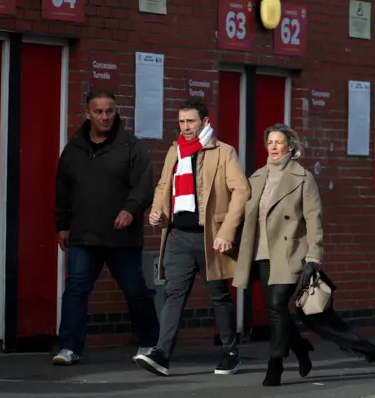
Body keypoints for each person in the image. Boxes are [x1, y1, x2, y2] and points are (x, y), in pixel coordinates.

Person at [134, 98, 251, 377]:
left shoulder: (223, 152)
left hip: (209, 236)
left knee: (219, 296)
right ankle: (162, 353)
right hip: (178, 236)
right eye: (182, 121)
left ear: (205, 122)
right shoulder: (175, 151)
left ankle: (230, 352)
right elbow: (165, 186)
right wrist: (158, 213)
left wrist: (227, 232)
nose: (185, 127)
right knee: (173, 294)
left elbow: (242, 191)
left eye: (191, 121)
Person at [52, 89, 159, 366]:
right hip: (84, 235)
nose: (105, 116)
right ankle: (69, 348)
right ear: (87, 113)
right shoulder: (73, 149)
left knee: (135, 290)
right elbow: (63, 189)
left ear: (116, 112)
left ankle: (150, 344)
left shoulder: (131, 146)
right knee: (76, 288)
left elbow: (144, 185)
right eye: (98, 111)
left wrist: (130, 209)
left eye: (109, 111)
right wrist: (62, 225)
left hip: (121, 236)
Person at [232, 123, 322, 386]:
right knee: (276, 308)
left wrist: (314, 255)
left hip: (290, 251)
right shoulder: (257, 177)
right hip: (261, 252)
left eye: (278, 142)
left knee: (278, 305)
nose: (273, 147)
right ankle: (301, 347)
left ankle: (276, 363)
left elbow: (314, 218)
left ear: (290, 146)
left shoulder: (303, 178)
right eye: (269, 142)